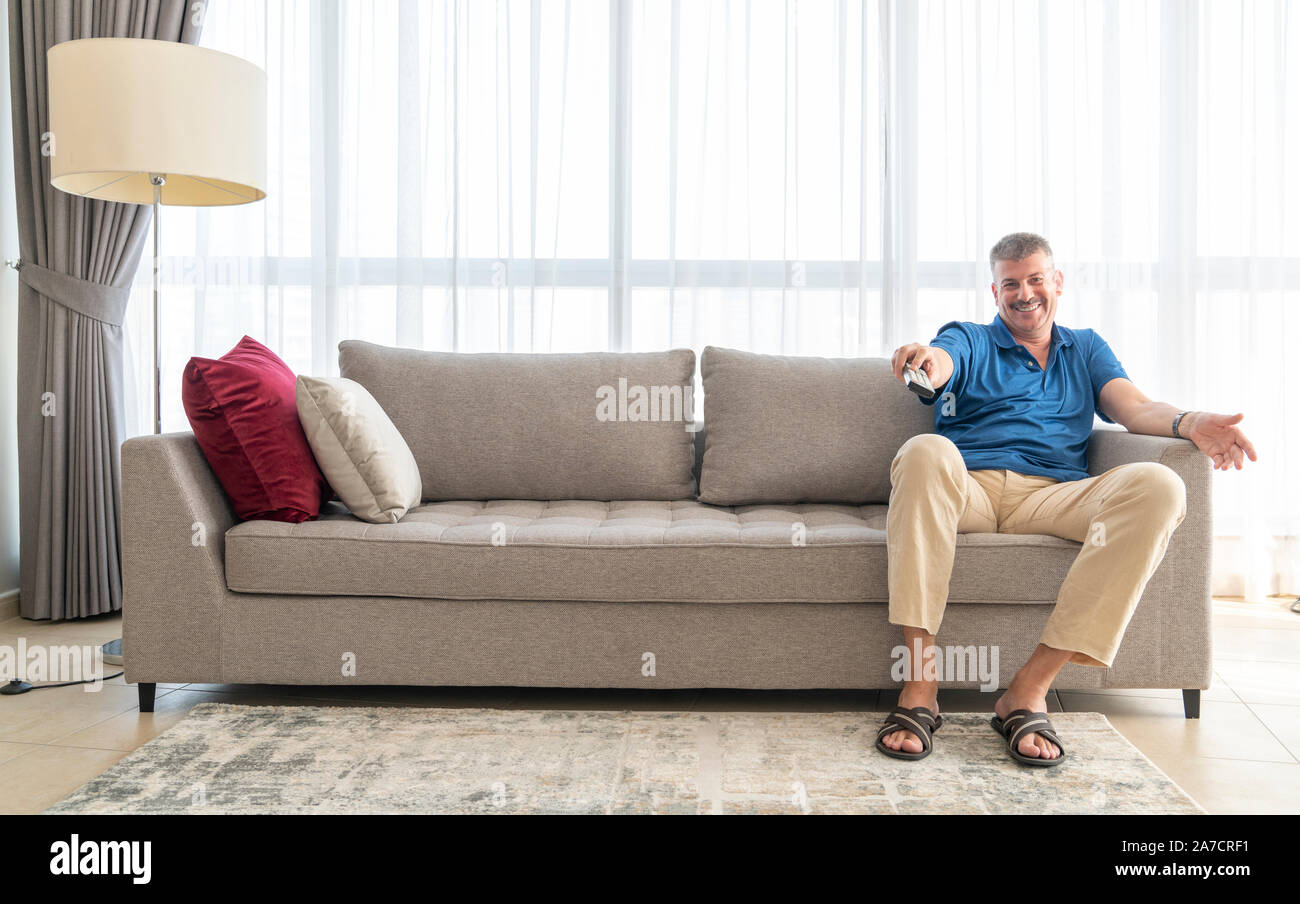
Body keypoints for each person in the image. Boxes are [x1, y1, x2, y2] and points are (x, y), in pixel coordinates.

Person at [876, 232, 1257, 766]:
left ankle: (1028, 690)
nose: (1024, 293)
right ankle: (920, 685)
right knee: (923, 450)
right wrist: (926, 363)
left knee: (1161, 486)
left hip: (1052, 497)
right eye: (1011, 283)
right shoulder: (969, 338)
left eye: (1035, 279)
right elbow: (942, 361)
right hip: (968, 491)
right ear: (995, 291)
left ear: (1057, 282)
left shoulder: (1087, 348)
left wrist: (1189, 421)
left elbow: (1134, 408)